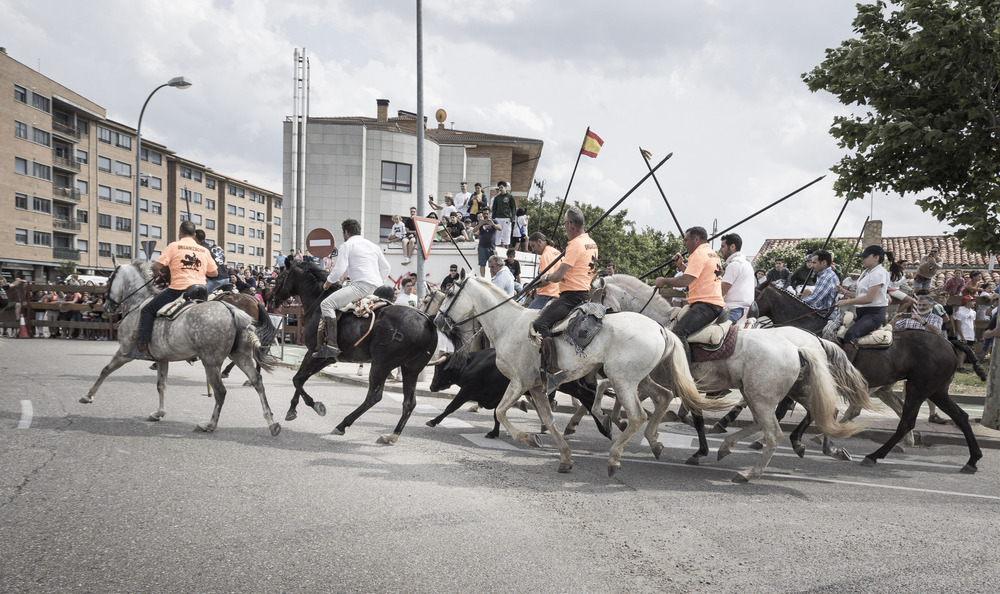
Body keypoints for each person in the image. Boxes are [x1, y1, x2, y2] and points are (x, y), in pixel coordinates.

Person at [532, 206, 598, 391]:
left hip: (571, 297)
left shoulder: (576, 244)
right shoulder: (591, 242)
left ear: (570, 224)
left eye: (564, 225)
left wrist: (544, 279)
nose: (563, 229)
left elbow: (559, 275)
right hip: (585, 294)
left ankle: (553, 372)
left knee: (540, 324)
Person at [132, 220, 218, 360]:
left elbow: (155, 267)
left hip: (179, 290)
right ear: (195, 234)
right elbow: (214, 273)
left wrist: (157, 275)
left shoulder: (174, 246)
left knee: (147, 309)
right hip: (201, 292)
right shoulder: (204, 250)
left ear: (180, 233)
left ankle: (143, 344)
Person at [315, 219, 392, 359]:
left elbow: (339, 268)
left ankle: (331, 346)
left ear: (346, 232)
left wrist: (327, 283)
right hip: (377, 288)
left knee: (326, 304)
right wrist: (380, 282)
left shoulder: (347, 245)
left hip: (360, 287)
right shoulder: (374, 246)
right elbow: (387, 267)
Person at [654, 226, 725, 362]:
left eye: (686, 240)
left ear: (696, 239)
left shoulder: (698, 255)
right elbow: (696, 276)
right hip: (710, 303)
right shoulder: (711, 253)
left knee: (678, 334)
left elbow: (686, 280)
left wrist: (664, 281)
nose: (684, 244)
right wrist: (681, 265)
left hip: (706, 305)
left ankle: (686, 375)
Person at [835, 245, 890, 363]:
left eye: (865, 256)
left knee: (850, 334)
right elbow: (860, 295)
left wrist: (847, 301)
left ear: (876, 257)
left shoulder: (879, 273)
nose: (862, 259)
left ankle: (846, 369)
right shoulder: (866, 272)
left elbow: (870, 298)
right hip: (862, 313)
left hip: (874, 314)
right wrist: (844, 291)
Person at [718, 233, 755, 323]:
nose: (720, 250)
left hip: (733, 310)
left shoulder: (734, 265)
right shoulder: (746, 263)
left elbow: (720, 292)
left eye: (723, 246)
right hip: (744, 310)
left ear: (732, 246)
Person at [801, 249, 840, 319]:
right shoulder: (823, 275)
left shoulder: (827, 277)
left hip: (826, 315)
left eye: (814, 263)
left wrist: (796, 302)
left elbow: (814, 298)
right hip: (821, 311)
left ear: (824, 262)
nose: (812, 266)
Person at [527, 232, 560, 310]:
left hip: (547, 295)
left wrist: (530, 286)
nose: (533, 250)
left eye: (533, 246)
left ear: (539, 241)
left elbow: (546, 281)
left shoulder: (546, 255)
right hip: (558, 293)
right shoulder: (555, 251)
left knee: (525, 319)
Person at [490, 181, 517, 248]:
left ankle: (506, 247)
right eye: (499, 187)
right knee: (498, 233)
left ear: (505, 187)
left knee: (506, 233)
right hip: (498, 217)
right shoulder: (497, 197)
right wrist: (493, 218)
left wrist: (512, 217)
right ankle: (497, 246)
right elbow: (494, 208)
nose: (500, 189)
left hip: (507, 217)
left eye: (501, 187)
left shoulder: (510, 196)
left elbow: (513, 207)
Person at [475, 207, 499, 277]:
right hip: (482, 246)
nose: (485, 215)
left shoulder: (494, 221)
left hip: (491, 247)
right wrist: (480, 224)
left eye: (487, 214)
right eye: (484, 214)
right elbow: (474, 231)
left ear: (490, 214)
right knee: (482, 264)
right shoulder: (480, 222)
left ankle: (493, 278)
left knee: (493, 264)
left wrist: (493, 224)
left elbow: (500, 228)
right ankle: (483, 278)